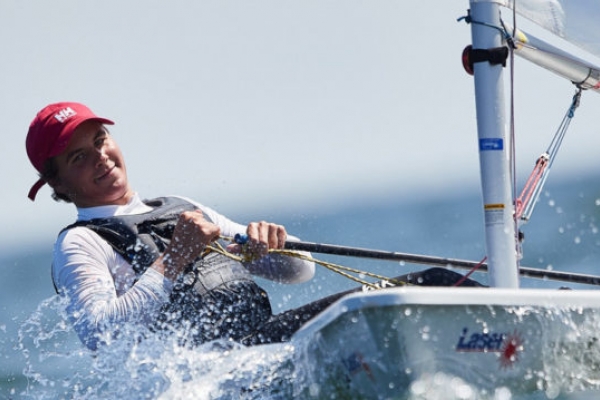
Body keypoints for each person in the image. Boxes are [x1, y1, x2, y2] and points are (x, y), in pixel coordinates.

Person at [26, 102, 482, 351]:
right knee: (432, 286)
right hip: (217, 374)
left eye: (101, 140)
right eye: (79, 156)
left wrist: (267, 247)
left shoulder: (180, 206)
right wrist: (174, 258)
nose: (101, 157)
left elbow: (301, 271)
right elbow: (99, 334)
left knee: (443, 284)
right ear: (57, 183)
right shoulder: (80, 243)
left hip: (268, 346)